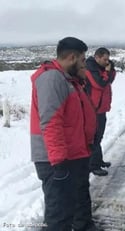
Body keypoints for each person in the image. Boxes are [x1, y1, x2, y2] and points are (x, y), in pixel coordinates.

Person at [30, 37, 98, 230]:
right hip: (56, 160)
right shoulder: (52, 79)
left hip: (74, 154)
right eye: (83, 60)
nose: (85, 64)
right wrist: (59, 162)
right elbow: (51, 122)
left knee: (77, 202)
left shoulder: (69, 80)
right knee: (60, 214)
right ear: (72, 57)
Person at [84, 47, 116, 176]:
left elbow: (110, 80)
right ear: (97, 57)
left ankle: (98, 160)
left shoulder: (101, 68)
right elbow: (100, 84)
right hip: (93, 109)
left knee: (99, 136)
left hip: (101, 109)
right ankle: (93, 165)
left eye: (108, 59)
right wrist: (107, 73)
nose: (106, 62)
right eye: (104, 59)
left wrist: (110, 69)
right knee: (94, 138)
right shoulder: (90, 68)